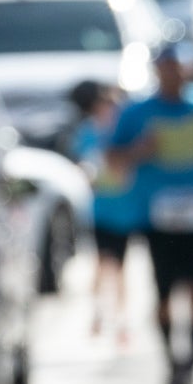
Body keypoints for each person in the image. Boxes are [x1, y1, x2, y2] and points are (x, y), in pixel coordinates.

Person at [109, 43, 193, 384]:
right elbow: (112, 159)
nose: (173, 74)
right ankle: (172, 364)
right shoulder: (136, 113)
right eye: (166, 67)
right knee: (163, 293)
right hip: (155, 216)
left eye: (179, 67)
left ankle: (191, 366)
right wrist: (140, 151)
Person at [67, 80, 140, 349]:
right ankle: (97, 313)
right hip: (100, 211)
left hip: (125, 211)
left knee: (121, 267)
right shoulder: (88, 132)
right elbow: (81, 164)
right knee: (101, 263)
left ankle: (121, 319)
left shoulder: (127, 133)